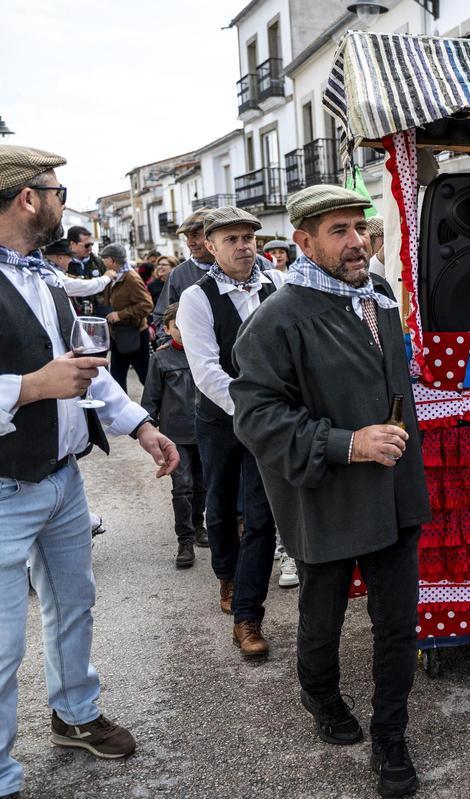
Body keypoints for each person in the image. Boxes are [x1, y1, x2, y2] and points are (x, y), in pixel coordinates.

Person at [231, 185, 431, 798]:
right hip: (328, 496)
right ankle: (320, 694)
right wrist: (348, 443)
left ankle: (390, 733)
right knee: (324, 615)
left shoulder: (379, 297)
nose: (356, 242)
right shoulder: (277, 317)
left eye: (360, 228)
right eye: (339, 231)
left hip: (393, 491)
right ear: (303, 241)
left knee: (397, 621)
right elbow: (257, 415)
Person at [0, 143, 179, 799]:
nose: (60, 201)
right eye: (56, 191)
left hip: (62, 481)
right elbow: (48, 380)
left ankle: (74, 714)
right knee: (0, 645)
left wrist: (142, 424)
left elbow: (86, 371)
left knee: (75, 605)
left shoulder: (44, 277)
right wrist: (28, 386)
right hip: (5, 488)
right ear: (29, 198)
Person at [176, 207, 282, 658]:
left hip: (269, 420)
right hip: (220, 419)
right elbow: (206, 370)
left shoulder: (277, 285)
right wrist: (251, 409)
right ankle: (226, 572)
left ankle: (246, 617)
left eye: (248, 237)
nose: (243, 245)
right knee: (218, 504)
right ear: (211, 246)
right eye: (231, 239)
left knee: (262, 514)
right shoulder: (196, 299)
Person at [140, 302, 207, 568]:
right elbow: (151, 399)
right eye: (176, 325)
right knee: (183, 486)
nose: (182, 330)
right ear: (167, 328)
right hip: (176, 434)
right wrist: (149, 427)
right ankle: (185, 540)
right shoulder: (161, 357)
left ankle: (198, 525)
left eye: (186, 324)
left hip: (204, 431)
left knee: (202, 485)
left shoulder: (205, 353)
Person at [149, 208, 213, 344]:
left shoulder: (253, 265)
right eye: (187, 237)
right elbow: (162, 316)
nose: (190, 243)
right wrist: (170, 343)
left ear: (214, 235)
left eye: (195, 235)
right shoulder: (178, 274)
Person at [97, 243, 153, 392]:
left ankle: (161, 409)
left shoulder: (131, 278)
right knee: (116, 377)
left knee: (145, 375)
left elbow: (147, 305)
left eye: (105, 258)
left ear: (113, 261)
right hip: (119, 335)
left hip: (134, 335)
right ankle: (123, 413)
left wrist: (120, 315)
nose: (102, 261)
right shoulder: (114, 275)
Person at [42, 237, 117, 300]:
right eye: (70, 256)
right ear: (60, 258)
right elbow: (84, 287)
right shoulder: (52, 276)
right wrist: (106, 277)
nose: (71, 260)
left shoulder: (46, 270)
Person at [65, 225, 107, 316]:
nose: (90, 248)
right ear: (72, 244)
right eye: (87, 245)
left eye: (92, 244)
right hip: (74, 316)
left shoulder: (98, 262)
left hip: (98, 316)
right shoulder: (63, 265)